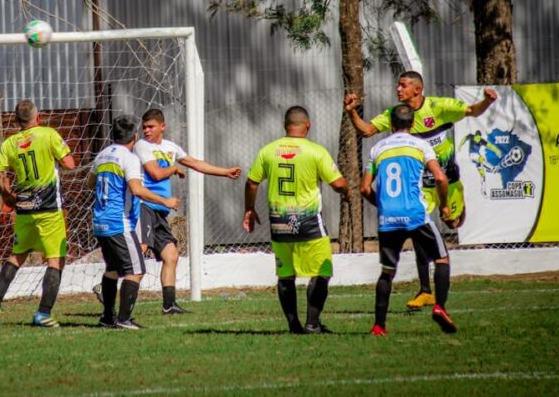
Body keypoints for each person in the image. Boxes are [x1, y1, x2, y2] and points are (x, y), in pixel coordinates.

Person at [344, 70, 497, 309]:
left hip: (447, 180)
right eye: (398, 85)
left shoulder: (438, 107)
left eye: (403, 85)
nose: (398, 89)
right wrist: (352, 111)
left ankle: (453, 212)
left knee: (453, 224)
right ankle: (426, 290)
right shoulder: (396, 115)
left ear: (417, 89)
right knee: (419, 231)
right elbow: (366, 130)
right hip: (420, 186)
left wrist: (487, 101)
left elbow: (472, 111)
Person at [243, 106, 348, 334]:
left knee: (285, 275)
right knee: (323, 270)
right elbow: (338, 184)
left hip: (279, 222)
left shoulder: (268, 151)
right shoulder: (315, 151)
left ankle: (294, 326)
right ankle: (312, 323)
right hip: (308, 222)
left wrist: (249, 210)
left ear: (284, 125)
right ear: (307, 126)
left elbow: (252, 182)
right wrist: (347, 189)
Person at [131, 108, 241, 314]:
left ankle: (169, 305)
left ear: (162, 126)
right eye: (144, 127)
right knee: (140, 250)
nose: (146, 130)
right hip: (143, 207)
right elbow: (155, 174)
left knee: (171, 255)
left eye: (151, 127)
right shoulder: (141, 146)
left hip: (160, 212)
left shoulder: (170, 147)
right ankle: (111, 284)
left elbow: (195, 163)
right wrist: (173, 169)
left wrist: (225, 172)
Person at [360, 103, 457, 336]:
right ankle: (440, 307)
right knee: (441, 259)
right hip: (416, 214)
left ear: (391, 125)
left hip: (388, 218)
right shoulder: (421, 145)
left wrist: (383, 205)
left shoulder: (377, 148)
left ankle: (378, 326)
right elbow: (441, 178)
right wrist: (444, 205)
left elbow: (364, 188)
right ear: (412, 124)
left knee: (387, 271)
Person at [0, 100, 76, 328]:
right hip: (49, 210)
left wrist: (6, 196)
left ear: (17, 120)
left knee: (17, 255)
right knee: (55, 259)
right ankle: (43, 313)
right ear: (38, 117)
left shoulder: (10, 143)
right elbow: (70, 164)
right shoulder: (48, 135)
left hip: (24, 209)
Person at [87, 115, 180, 330]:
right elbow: (137, 190)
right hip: (119, 223)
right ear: (134, 136)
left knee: (112, 269)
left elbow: (89, 182)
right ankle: (124, 319)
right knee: (136, 270)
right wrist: (164, 200)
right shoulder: (129, 159)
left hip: (100, 222)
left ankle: (107, 318)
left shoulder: (102, 155)